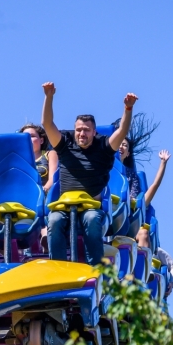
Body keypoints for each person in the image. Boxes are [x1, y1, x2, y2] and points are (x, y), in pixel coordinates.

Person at [41, 82, 138, 265]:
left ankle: (94, 267)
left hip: (91, 205)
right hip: (65, 204)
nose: (81, 133)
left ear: (94, 132)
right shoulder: (66, 143)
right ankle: (59, 267)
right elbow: (46, 123)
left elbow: (122, 131)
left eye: (86, 130)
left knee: (92, 219)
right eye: (78, 130)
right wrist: (49, 97)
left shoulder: (103, 146)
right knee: (53, 220)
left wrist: (128, 109)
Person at [137, 149, 171, 248]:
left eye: (125, 145)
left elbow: (155, 185)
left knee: (144, 234)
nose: (121, 147)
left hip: (129, 228)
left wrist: (163, 163)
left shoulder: (138, 204)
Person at [18, 123, 58, 192]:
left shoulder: (50, 154)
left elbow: (53, 179)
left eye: (32, 136)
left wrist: (42, 191)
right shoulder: (18, 159)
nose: (28, 139)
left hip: (44, 195)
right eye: (24, 137)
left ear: (41, 140)